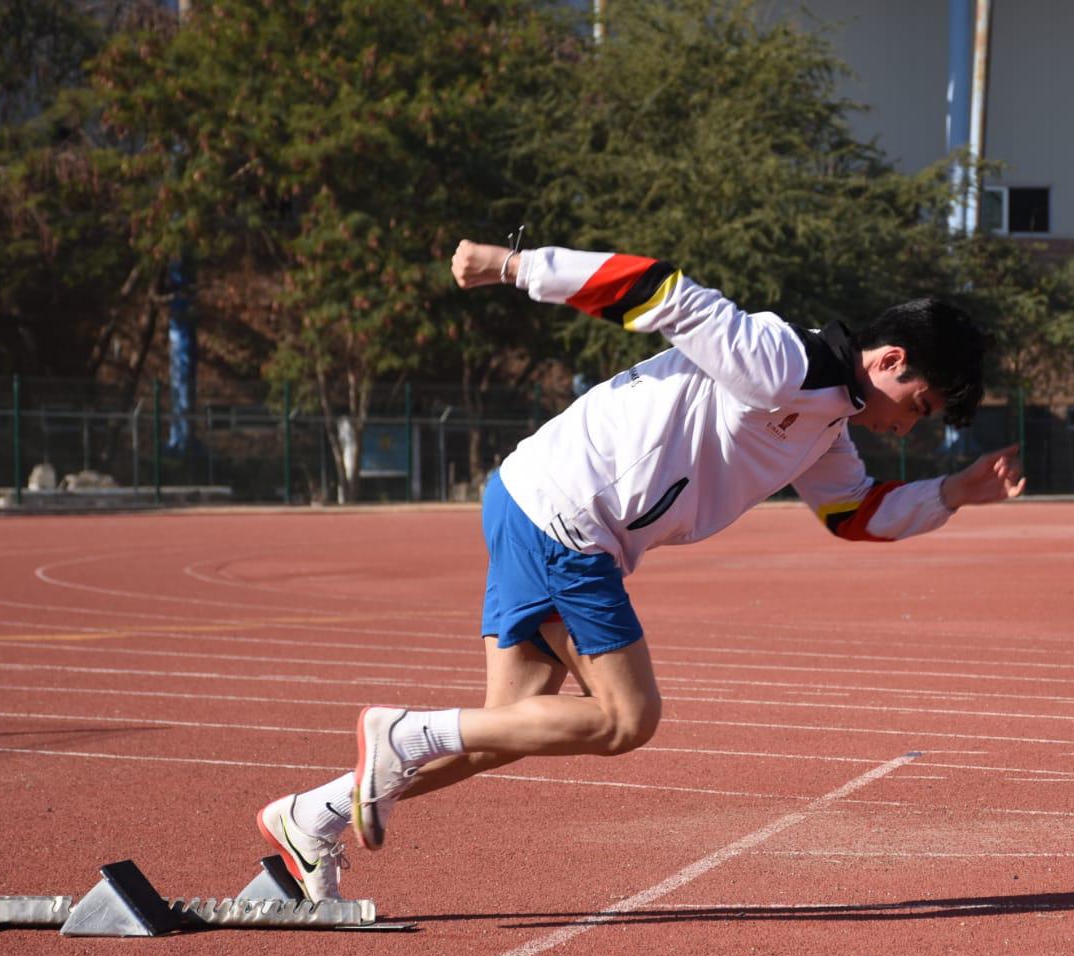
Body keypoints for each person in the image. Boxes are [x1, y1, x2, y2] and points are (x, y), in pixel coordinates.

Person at [257, 239, 1026, 900]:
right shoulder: (786, 361)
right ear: (889, 360)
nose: (907, 428)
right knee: (628, 719)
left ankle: (312, 815)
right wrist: (515, 265)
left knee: (507, 731)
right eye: (918, 406)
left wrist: (953, 493)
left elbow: (851, 513)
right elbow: (665, 294)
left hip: (539, 504)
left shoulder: (827, 424)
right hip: (568, 519)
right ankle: (398, 733)